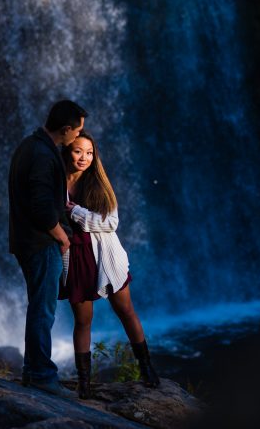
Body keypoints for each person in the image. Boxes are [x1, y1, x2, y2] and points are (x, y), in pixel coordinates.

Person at [59, 130, 160, 399]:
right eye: (78, 151)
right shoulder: (55, 182)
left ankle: (147, 368)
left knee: (126, 310)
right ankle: (84, 384)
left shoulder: (98, 183)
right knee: (83, 321)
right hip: (75, 256)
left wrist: (75, 212)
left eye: (90, 153)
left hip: (106, 255)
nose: (84, 157)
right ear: (67, 151)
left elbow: (111, 222)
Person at [9, 100, 88, 397]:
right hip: (41, 243)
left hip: (26, 241)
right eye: (77, 130)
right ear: (66, 129)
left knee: (39, 307)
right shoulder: (43, 154)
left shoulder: (29, 145)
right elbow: (42, 207)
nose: (79, 135)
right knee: (43, 309)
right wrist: (62, 236)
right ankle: (42, 374)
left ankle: (32, 371)